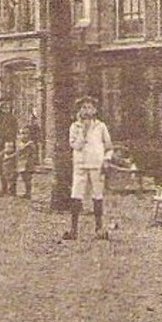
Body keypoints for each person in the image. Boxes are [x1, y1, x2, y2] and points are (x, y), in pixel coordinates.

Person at [64, 97, 113, 241]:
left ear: (95, 110)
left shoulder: (101, 126)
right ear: (79, 110)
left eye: (89, 108)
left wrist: (106, 160)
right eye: (83, 108)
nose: (87, 111)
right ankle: (74, 229)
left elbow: (109, 147)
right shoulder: (75, 127)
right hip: (80, 165)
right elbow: (75, 146)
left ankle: (99, 228)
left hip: (96, 165)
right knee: (76, 194)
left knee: (97, 195)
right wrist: (83, 133)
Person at [0, 97, 19, 196]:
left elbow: (13, 133)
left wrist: (8, 144)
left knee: (10, 167)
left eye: (7, 107)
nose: (5, 109)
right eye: (3, 107)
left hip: (8, 144)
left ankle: (12, 189)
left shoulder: (12, 119)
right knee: (1, 167)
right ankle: (4, 188)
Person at [16, 119, 40, 199]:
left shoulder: (31, 144)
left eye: (26, 134)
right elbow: (19, 152)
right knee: (23, 177)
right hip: (22, 163)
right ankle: (26, 191)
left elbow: (34, 153)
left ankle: (28, 192)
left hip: (28, 164)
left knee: (28, 178)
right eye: (22, 134)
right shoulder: (20, 144)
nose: (24, 136)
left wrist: (34, 161)